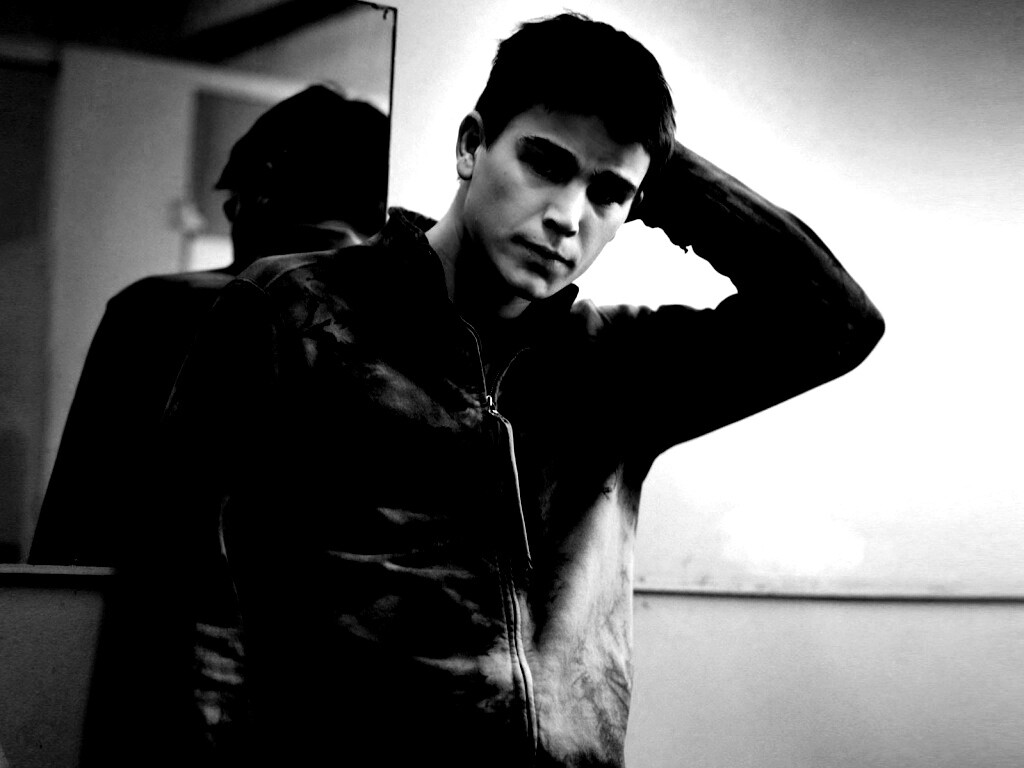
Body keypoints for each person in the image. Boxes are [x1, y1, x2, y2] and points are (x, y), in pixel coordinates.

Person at [158, 12, 884, 768]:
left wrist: (660, 167)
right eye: (545, 163)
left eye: (608, 194)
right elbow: (195, 612)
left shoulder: (616, 365)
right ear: (471, 146)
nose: (567, 219)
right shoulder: (294, 312)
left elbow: (834, 321)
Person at [29, 83, 389, 567]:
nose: (228, 210)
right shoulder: (415, 322)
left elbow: (78, 509)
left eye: (234, 196)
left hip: (174, 603)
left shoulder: (157, 308)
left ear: (260, 195)